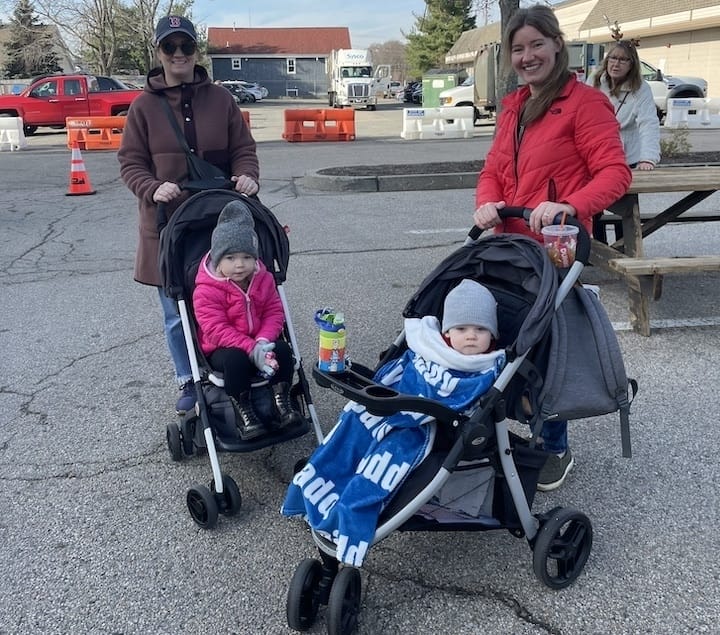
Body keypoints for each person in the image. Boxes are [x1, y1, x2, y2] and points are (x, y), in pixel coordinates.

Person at [472, 5, 633, 491]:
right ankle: (505, 425)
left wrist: (567, 204)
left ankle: (554, 445)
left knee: (545, 348)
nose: (527, 56)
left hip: (556, 248)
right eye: (517, 49)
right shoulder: (514, 106)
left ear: (557, 44)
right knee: (498, 336)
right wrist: (486, 204)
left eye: (536, 45)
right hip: (508, 244)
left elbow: (614, 173)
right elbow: (494, 171)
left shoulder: (585, 103)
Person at [281, 279, 506, 567]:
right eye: (461, 329)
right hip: (398, 401)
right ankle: (316, 485)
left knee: (385, 458)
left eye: (481, 329)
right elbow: (403, 371)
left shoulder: (484, 369)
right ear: (446, 332)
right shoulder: (429, 348)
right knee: (353, 424)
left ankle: (350, 510)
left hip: (429, 423)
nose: (471, 337)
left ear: (493, 335)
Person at [118, 15, 260, 415]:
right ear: (159, 52)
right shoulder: (143, 107)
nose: (179, 54)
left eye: (186, 46)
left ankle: (233, 366)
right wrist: (152, 187)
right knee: (177, 311)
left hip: (221, 224)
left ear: (196, 51)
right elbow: (130, 162)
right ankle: (187, 378)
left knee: (230, 300)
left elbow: (243, 150)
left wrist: (247, 175)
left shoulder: (221, 100)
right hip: (166, 225)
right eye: (170, 47)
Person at [192, 200, 302, 440]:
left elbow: (274, 311)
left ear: (255, 258)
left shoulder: (262, 279)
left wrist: (263, 339)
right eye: (230, 258)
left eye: (246, 257)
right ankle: (244, 412)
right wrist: (250, 347)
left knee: (284, 350)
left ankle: (281, 401)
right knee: (236, 359)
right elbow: (214, 328)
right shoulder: (207, 289)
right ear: (217, 260)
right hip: (223, 346)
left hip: (260, 340)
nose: (239, 264)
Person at [590, 40, 661, 241]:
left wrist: (648, 158)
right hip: (596, 154)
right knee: (593, 205)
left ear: (632, 64)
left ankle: (625, 248)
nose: (616, 64)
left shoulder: (641, 88)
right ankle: (599, 249)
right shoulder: (595, 82)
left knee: (626, 208)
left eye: (623, 60)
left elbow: (648, 123)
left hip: (627, 155)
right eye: (613, 58)